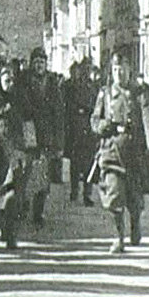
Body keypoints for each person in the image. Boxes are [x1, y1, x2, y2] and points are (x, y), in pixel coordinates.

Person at [90, 54, 149, 253]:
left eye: (123, 68)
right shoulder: (104, 93)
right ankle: (118, 237)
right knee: (113, 196)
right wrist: (102, 126)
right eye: (115, 69)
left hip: (135, 154)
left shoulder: (140, 93)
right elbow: (94, 119)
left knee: (135, 199)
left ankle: (135, 223)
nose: (119, 73)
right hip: (111, 151)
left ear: (130, 70)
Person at [18, 47, 65, 229]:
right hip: (28, 131)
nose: (39, 66)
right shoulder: (23, 81)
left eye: (42, 62)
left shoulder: (52, 83)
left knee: (43, 176)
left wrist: (59, 142)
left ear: (46, 64)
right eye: (36, 62)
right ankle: (23, 205)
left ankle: (38, 212)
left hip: (47, 135)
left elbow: (59, 114)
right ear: (31, 64)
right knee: (25, 173)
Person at [0, 65, 27, 249]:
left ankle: (10, 234)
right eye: (6, 81)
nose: (9, 84)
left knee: (12, 194)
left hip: (14, 151)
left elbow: (27, 123)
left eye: (12, 81)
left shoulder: (20, 100)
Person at [63, 60, 99, 206]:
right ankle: (74, 191)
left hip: (90, 130)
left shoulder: (93, 87)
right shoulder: (71, 86)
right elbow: (67, 105)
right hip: (75, 129)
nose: (85, 73)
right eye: (83, 70)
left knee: (90, 163)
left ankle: (87, 194)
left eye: (88, 70)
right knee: (75, 163)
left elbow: (97, 105)